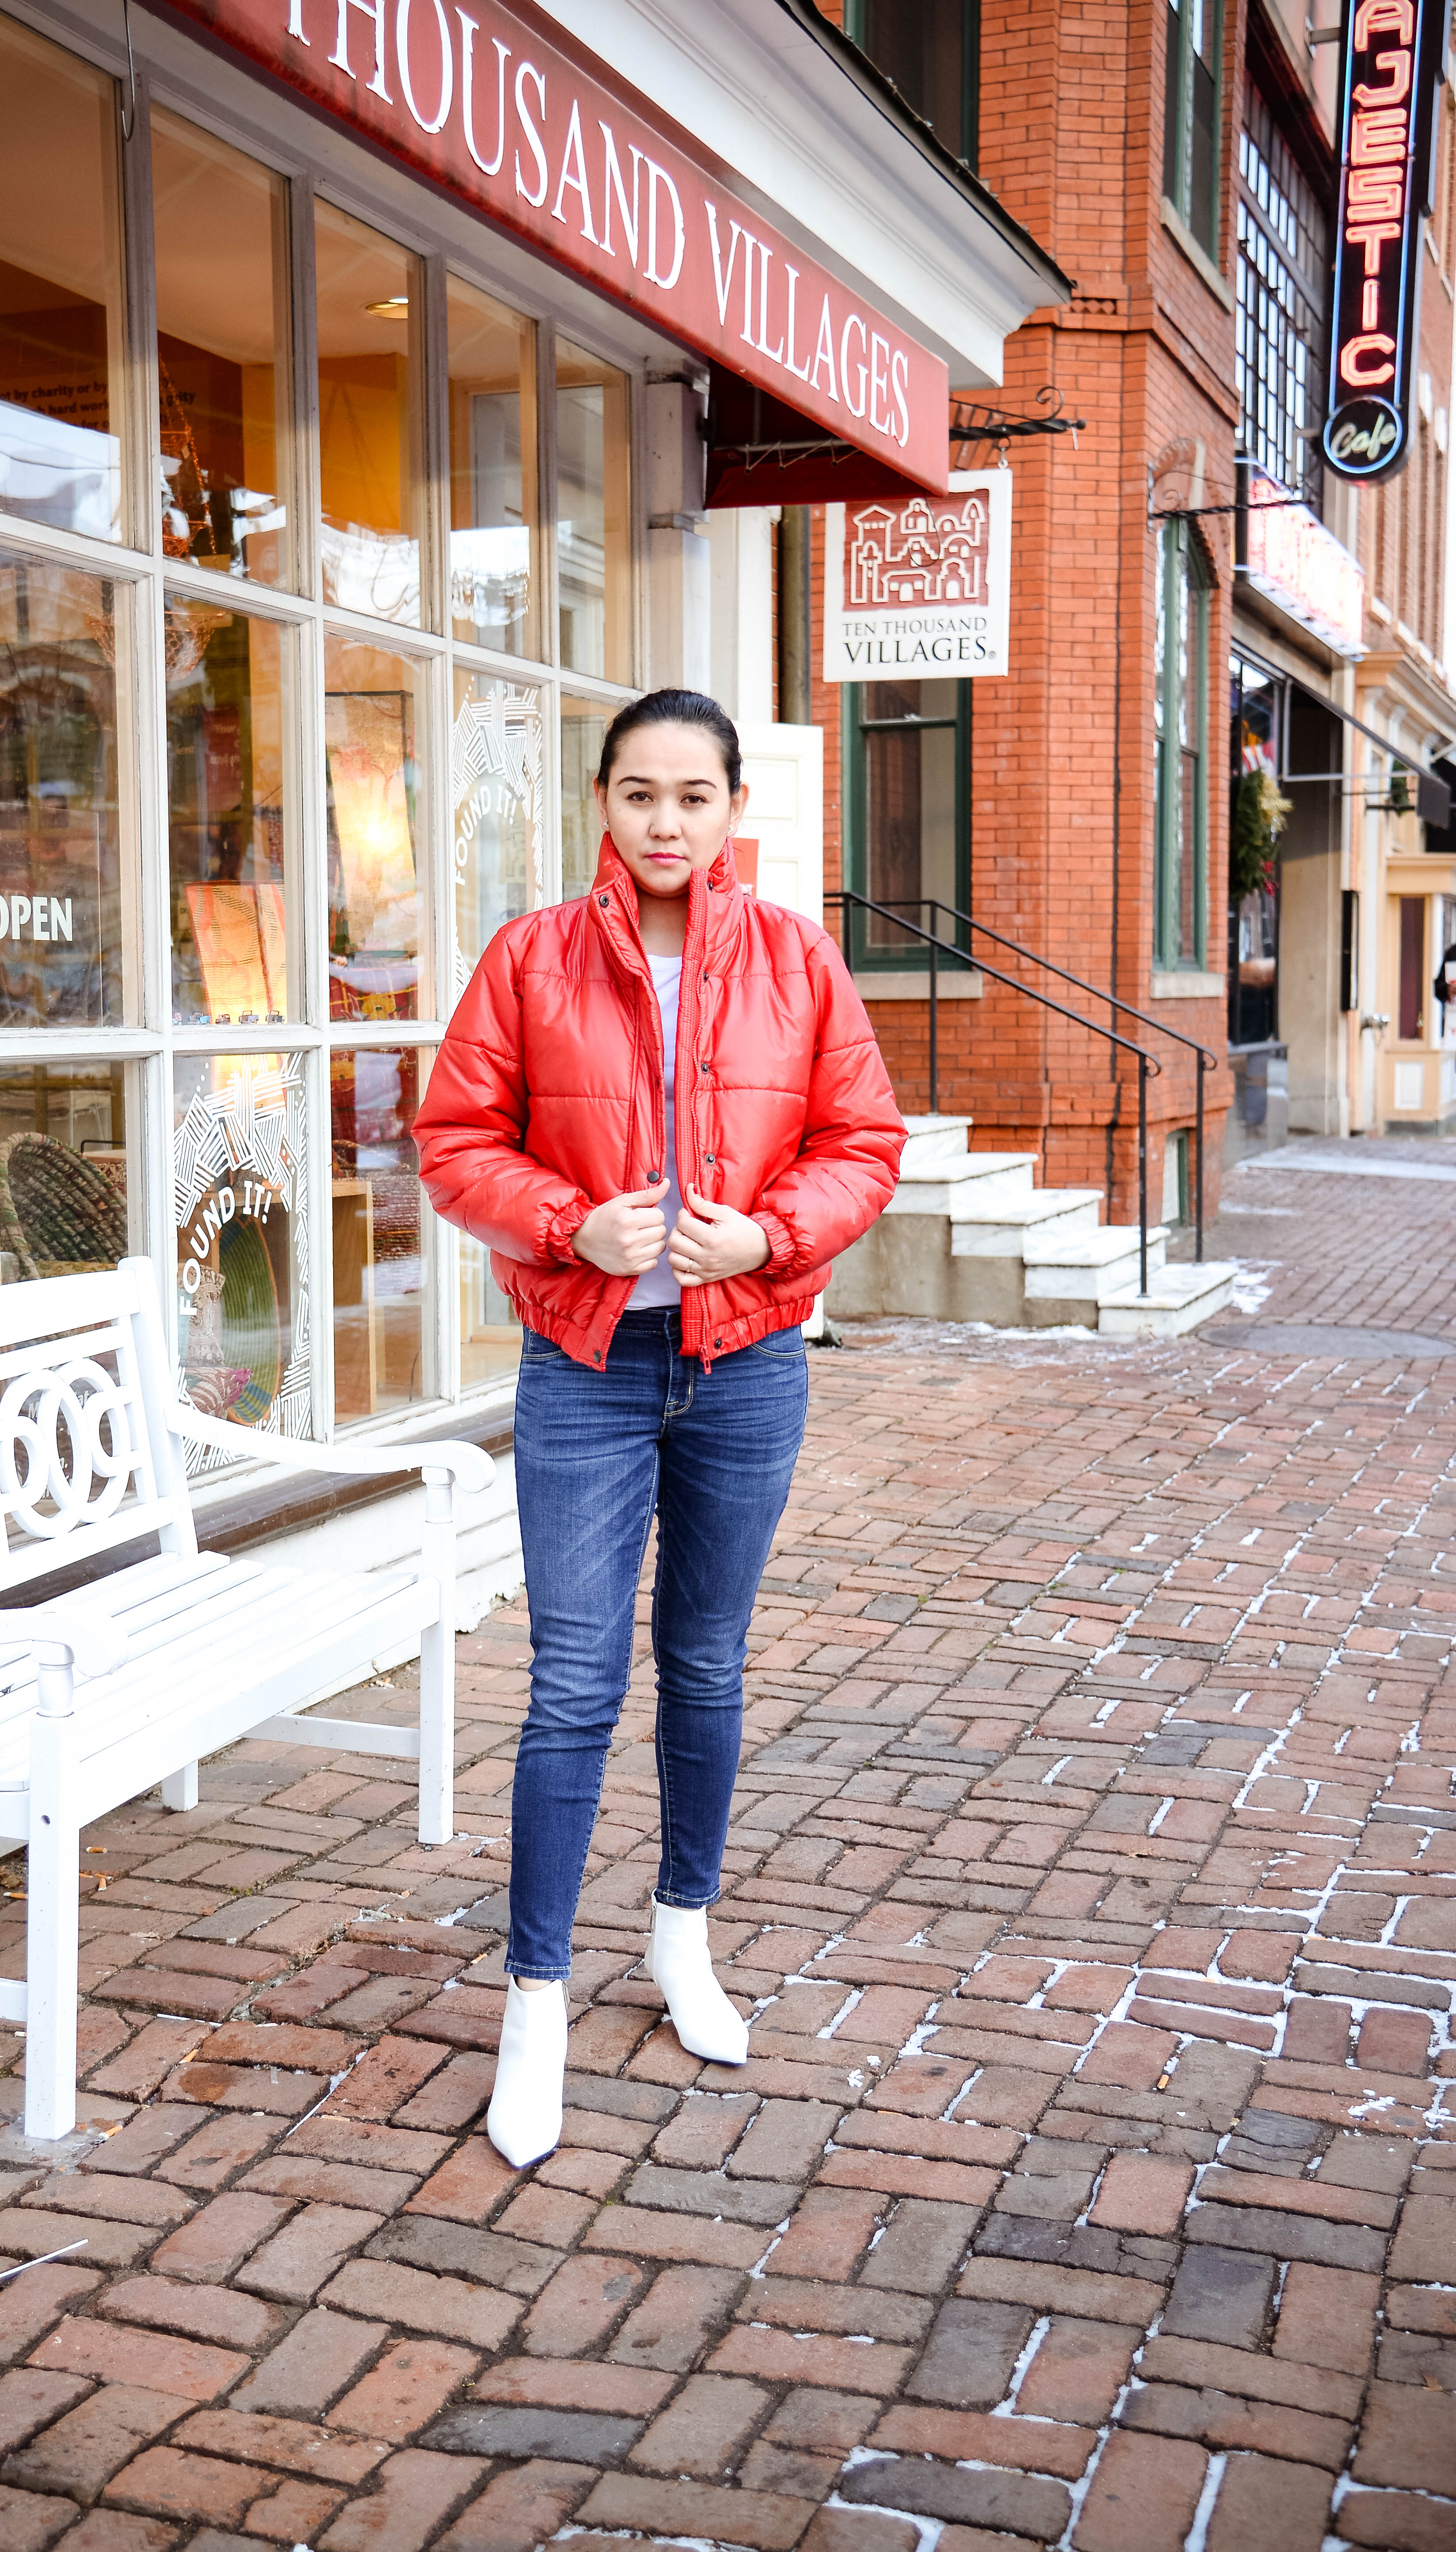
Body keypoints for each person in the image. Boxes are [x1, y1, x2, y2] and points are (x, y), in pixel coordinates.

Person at [413, 689, 906, 2166]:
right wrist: (573, 1220)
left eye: (695, 795)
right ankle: (536, 2002)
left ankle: (683, 1930)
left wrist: (766, 1240)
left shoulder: (797, 960)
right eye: (641, 795)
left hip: (747, 1360)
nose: (668, 822)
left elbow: (863, 1144)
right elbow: (452, 1143)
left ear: (733, 806)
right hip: (585, 1367)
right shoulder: (532, 958)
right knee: (573, 1678)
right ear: (603, 805)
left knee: (703, 1659)